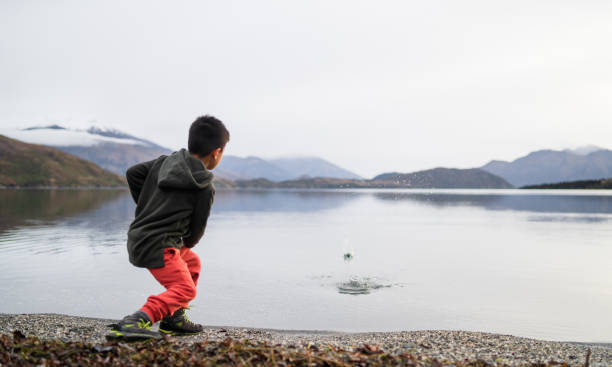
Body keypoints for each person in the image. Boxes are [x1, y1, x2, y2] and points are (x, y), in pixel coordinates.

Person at [107, 115, 229, 341]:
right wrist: (185, 242)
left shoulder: (166, 162)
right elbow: (196, 231)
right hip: (159, 245)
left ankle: (174, 318)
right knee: (186, 289)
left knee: (192, 262)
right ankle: (138, 319)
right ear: (217, 152)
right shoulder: (203, 185)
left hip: (140, 238)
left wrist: (147, 209)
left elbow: (133, 174)